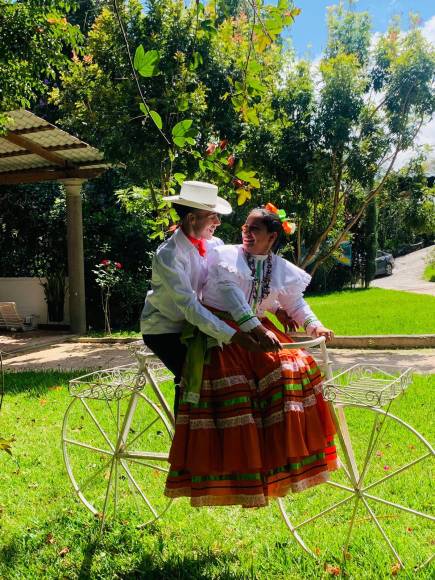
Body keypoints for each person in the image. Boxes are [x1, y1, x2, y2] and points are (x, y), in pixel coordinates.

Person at [164, 205, 338, 507]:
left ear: (272, 236)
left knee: (296, 365)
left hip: (258, 327)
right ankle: (248, 461)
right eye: (245, 226)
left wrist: (315, 325)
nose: (246, 232)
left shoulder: (278, 266)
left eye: (254, 229)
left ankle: (279, 453)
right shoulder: (227, 257)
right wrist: (256, 329)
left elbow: (295, 302)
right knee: (246, 384)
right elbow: (232, 298)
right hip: (226, 331)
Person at [141, 180, 261, 413]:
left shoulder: (215, 244)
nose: (217, 222)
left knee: (222, 371)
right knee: (191, 375)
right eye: (212, 216)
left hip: (196, 325)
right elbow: (189, 306)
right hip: (165, 329)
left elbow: (230, 283)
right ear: (191, 219)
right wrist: (233, 336)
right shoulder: (169, 255)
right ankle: (184, 443)